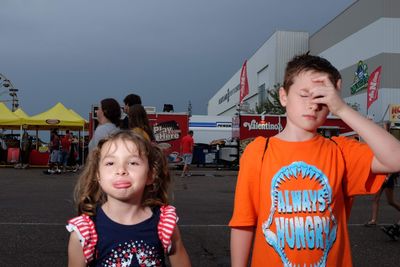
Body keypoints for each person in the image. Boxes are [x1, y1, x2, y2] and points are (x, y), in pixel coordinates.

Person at [229, 54, 400, 267]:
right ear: (283, 96)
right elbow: (243, 223)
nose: (313, 105)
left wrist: (342, 109)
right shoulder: (258, 151)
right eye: (304, 95)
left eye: (322, 98)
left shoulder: (341, 151)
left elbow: (396, 159)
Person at [66, 130, 191, 267]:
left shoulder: (165, 225)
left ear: (150, 175)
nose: (121, 170)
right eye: (110, 163)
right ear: (98, 175)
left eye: (133, 163)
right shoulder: (84, 234)